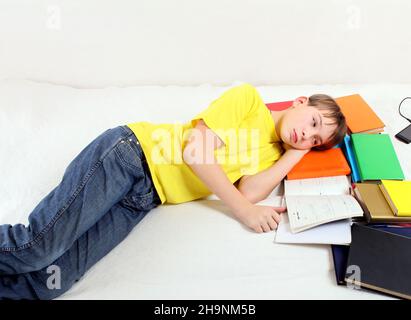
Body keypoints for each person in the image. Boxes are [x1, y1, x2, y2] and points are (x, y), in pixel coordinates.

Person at [0, 83, 347, 299]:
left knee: (49, 284)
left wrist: (293, 155)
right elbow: (195, 152)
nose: (307, 134)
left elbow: (251, 192)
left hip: (145, 198)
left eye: (316, 141)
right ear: (301, 101)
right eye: (313, 122)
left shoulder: (274, 154)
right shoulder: (249, 101)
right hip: (130, 155)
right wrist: (243, 211)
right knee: (37, 248)